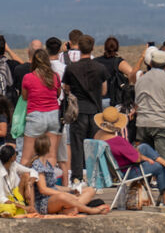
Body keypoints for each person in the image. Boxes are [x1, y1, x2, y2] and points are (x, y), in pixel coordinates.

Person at [93, 105, 165, 206]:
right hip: (125, 171)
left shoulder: (97, 137)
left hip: (113, 170)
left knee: (144, 147)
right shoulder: (118, 141)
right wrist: (145, 158)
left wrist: (143, 156)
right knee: (159, 168)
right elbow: (136, 159)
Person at [62, 33, 107, 182]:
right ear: (93, 48)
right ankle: (96, 178)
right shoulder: (100, 68)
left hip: (78, 110)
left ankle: (77, 178)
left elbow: (66, 88)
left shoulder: (71, 68)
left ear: (79, 47)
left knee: (77, 145)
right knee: (94, 145)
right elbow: (104, 91)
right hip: (95, 110)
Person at [29, 135, 107, 215]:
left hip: (54, 195)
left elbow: (53, 187)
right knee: (63, 197)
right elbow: (43, 189)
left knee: (90, 190)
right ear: (49, 147)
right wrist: (64, 194)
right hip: (44, 201)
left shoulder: (47, 164)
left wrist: (70, 189)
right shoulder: (38, 165)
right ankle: (89, 210)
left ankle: (72, 208)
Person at [134, 48, 165, 162]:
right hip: (161, 124)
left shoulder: (141, 79)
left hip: (142, 124)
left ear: (150, 63)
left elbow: (137, 104)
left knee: (146, 161)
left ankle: (146, 180)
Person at [20, 50, 60, 167]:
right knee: (51, 155)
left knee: (27, 156)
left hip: (36, 115)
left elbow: (24, 96)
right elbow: (57, 94)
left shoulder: (28, 77)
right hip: (53, 114)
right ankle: (49, 182)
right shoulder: (55, 76)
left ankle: (25, 183)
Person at [0, 144, 36, 217]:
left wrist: (29, 185)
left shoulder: (13, 165)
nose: (16, 155)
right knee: (8, 209)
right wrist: (23, 207)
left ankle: (31, 208)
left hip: (12, 198)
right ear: (11, 158)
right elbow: (0, 198)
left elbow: (32, 171)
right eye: (15, 154)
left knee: (21, 211)